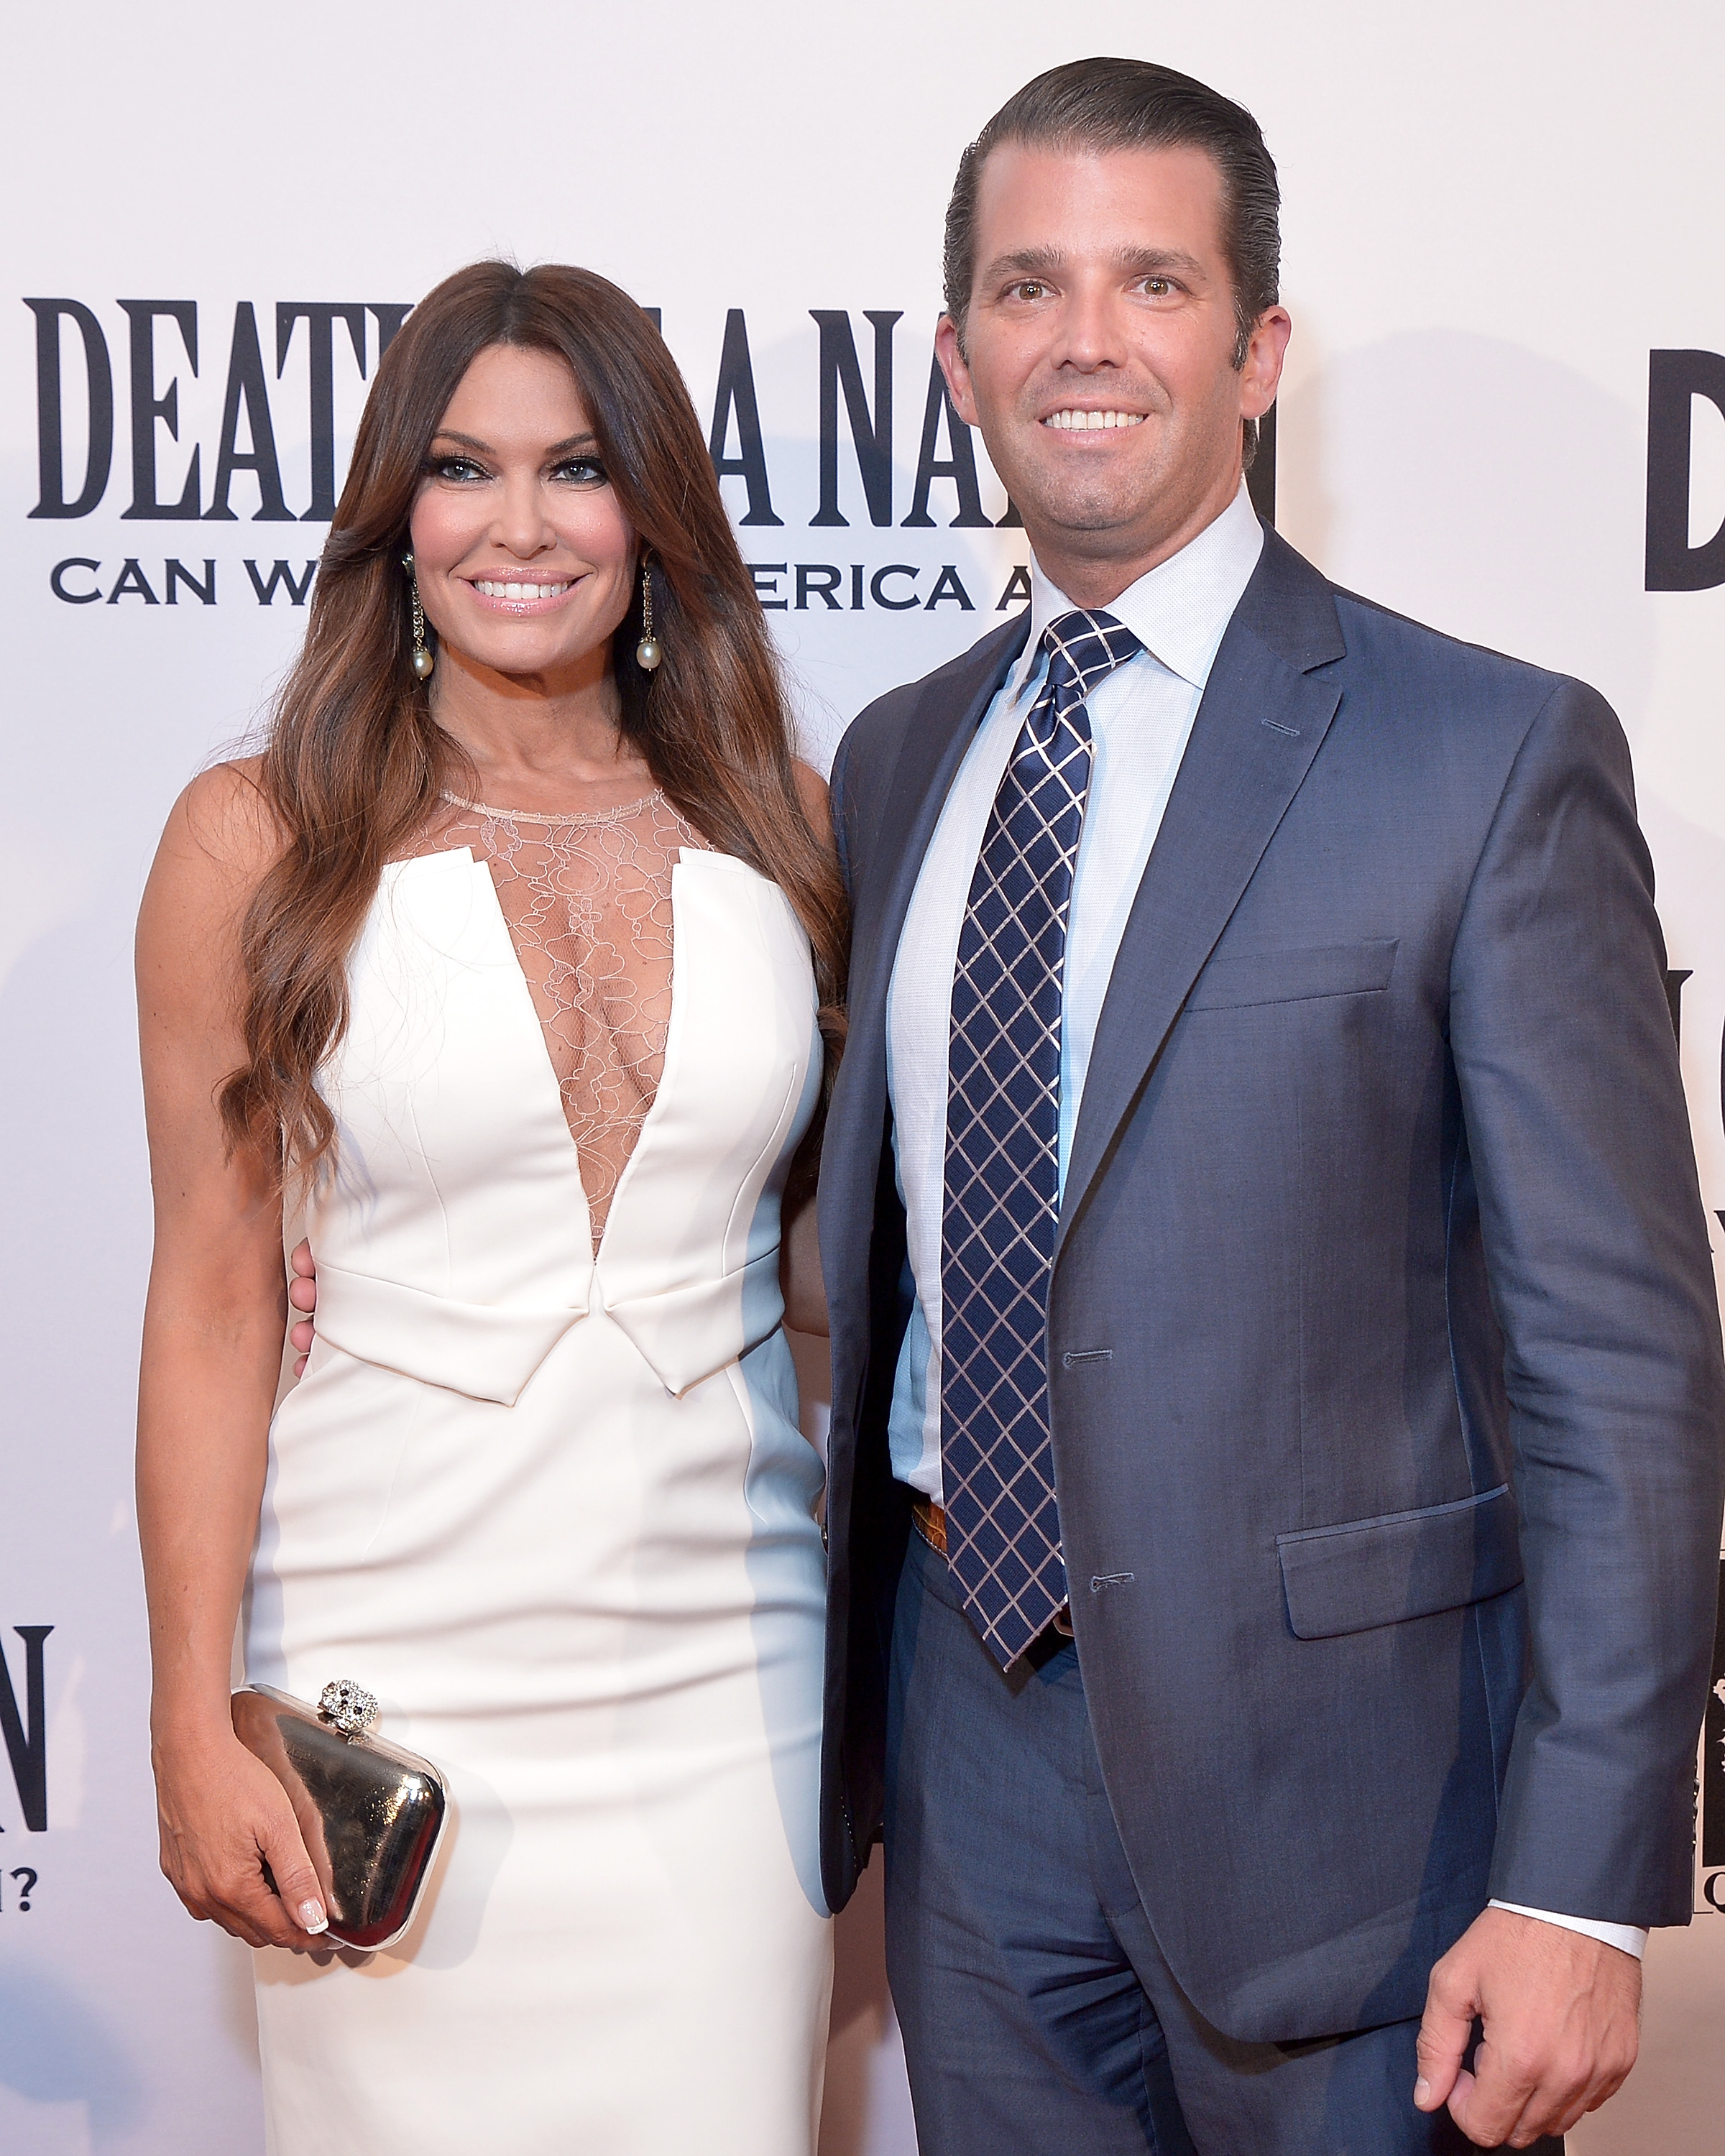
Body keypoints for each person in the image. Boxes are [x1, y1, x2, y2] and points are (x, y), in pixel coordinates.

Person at [814, 57, 1725, 2156]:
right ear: (958, 357)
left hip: (1363, 1805)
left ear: (1259, 350)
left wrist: (1584, 1871)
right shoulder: (894, 760)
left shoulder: (1486, 753)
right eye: (1029, 289)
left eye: (1153, 281)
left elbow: (1619, 1358)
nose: (1087, 340)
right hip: (972, 1738)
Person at [135, 261, 843, 2156]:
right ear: (397, 515)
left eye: (579, 468)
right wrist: (191, 1720)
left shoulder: (781, 824)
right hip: (399, 1720)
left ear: (654, 516)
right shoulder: (256, 838)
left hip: (732, 1709)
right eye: (462, 470)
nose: (519, 526)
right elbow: (209, 1300)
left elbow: (833, 1275)